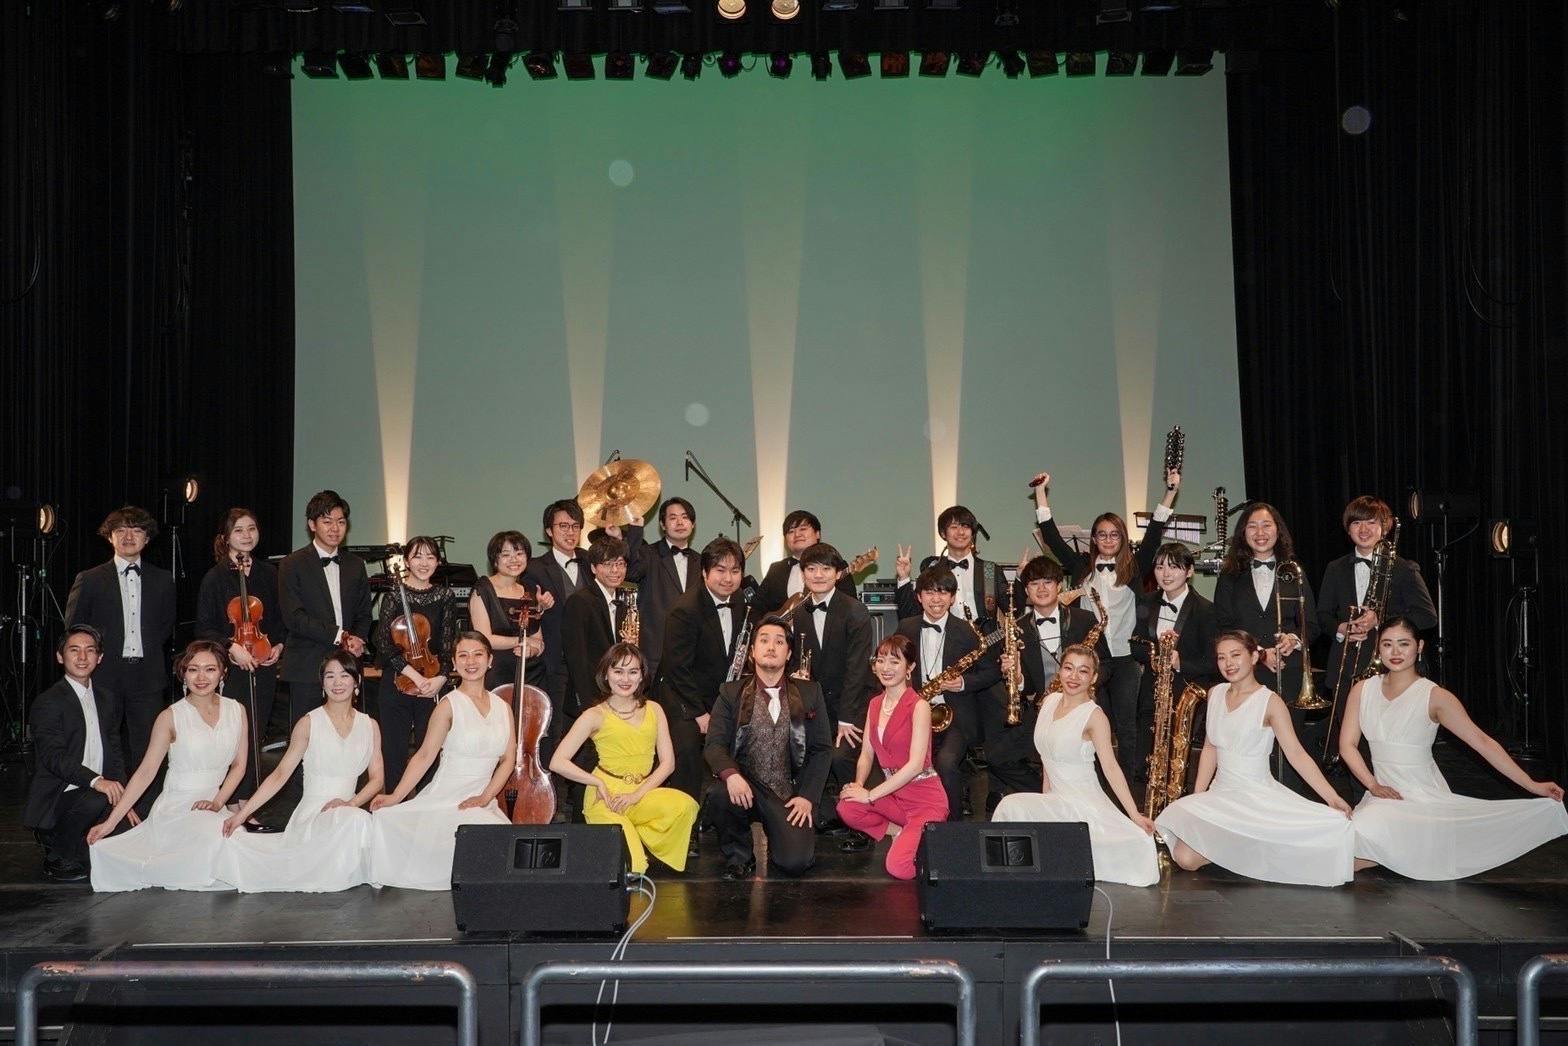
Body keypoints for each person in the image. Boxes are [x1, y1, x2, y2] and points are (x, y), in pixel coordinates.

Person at [1342, 618, 1568, 879]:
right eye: (1387, 644)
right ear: (1378, 648)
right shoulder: (1363, 689)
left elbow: (1483, 742)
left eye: (1403, 644)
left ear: (1419, 646)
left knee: (1351, 852)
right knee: (1344, 846)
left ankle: (1407, 846)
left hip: (1423, 802)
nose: (1395, 652)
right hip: (1382, 798)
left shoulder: (1435, 697)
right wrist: (1372, 785)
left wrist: (1532, 785)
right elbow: (1347, 745)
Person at [1154, 632, 1355, 887]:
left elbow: (1296, 754)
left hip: (1255, 796)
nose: (1228, 663)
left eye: (1236, 655)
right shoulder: (1215, 693)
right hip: (1220, 794)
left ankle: (1255, 841)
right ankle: (1247, 844)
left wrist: (1332, 797)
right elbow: (1210, 748)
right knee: (1185, 859)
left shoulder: (1270, 702)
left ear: (1254, 657)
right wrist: (1198, 798)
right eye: (1221, 657)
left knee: (1326, 833)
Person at [1030, 468, 1181, 786]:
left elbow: (1155, 531)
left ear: (1122, 538)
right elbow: (1052, 537)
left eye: (1114, 534)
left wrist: (1169, 492)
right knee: (1092, 722)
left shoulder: (1134, 566)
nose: (1108, 539)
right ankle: (1094, 782)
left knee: (1126, 725)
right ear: (1094, 539)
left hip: (1126, 658)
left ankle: (1126, 784)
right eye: (1102, 534)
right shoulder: (1080, 567)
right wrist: (1041, 493)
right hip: (1092, 660)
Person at [87, 640, 248, 892]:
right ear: (183, 674)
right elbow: (145, 772)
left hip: (214, 804)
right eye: (193, 669)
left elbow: (239, 766)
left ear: (223, 673)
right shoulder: (170, 716)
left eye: (210, 669)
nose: (201, 677)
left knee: (237, 841)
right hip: (177, 808)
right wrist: (111, 822)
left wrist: (218, 803)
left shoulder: (237, 710)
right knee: (217, 841)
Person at [993, 645, 1159, 887]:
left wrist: (1134, 814)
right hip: (1056, 801)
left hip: (1083, 804)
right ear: (1060, 671)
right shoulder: (1049, 701)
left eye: (1083, 671)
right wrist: (1045, 802)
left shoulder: (1094, 716)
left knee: (1011, 806)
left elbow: (1111, 767)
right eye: (1068, 668)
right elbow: (1047, 759)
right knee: (1011, 808)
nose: (1073, 676)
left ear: (1093, 677)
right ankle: (1006, 877)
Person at [216, 653, 383, 892]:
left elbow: (377, 779)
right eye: (330, 676)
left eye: (345, 675)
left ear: (356, 681)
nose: (337, 682)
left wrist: (350, 803)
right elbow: (280, 774)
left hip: (348, 809)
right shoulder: (309, 723)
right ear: (322, 683)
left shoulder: (370, 725)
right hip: (314, 814)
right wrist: (242, 815)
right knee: (357, 821)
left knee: (357, 819)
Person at [368, 633, 512, 890]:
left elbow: (508, 760)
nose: (471, 661)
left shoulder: (503, 707)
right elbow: (424, 756)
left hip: (482, 798)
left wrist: (486, 797)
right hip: (447, 798)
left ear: (490, 660)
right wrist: (396, 796)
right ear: (454, 663)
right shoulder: (448, 706)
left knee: (503, 849)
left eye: (478, 654)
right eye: (463, 655)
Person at [548, 643, 698, 874]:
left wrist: (636, 795)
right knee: (634, 867)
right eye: (618, 671)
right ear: (606, 675)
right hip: (606, 797)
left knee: (685, 806)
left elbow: (668, 764)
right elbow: (557, 762)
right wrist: (597, 782)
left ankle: (637, 835)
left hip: (641, 792)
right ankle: (631, 845)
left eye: (633, 671)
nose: (625, 679)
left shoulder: (655, 709)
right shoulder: (594, 715)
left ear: (642, 676)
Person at [703, 617, 833, 879]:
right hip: (745, 786)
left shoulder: (810, 692)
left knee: (795, 863)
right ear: (752, 651)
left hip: (789, 792)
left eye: (779, 642)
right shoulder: (730, 692)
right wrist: (731, 775)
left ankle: (781, 838)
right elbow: (714, 744)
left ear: (789, 654)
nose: (771, 647)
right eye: (764, 640)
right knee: (720, 793)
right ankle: (740, 857)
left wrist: (807, 796)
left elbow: (822, 749)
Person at [1316, 497, 1437, 759]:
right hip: (1346, 668)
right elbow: (1322, 615)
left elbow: (1427, 617)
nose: (1364, 529)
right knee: (1352, 747)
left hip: (1389, 669)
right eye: (1356, 523)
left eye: (1371, 522)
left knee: (1385, 745)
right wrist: (1341, 628)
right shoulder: (1335, 568)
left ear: (1385, 527)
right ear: (1348, 529)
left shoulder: (1403, 568)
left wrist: (1380, 619)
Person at [988, 555, 1110, 812]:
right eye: (1034, 584)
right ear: (1026, 590)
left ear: (1059, 585)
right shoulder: (1017, 628)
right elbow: (1028, 686)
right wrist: (1017, 678)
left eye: (1047, 582)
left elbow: (1106, 665)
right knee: (998, 757)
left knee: (1094, 770)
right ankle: (1048, 797)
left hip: (1081, 709)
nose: (1041, 589)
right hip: (1043, 708)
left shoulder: (1085, 620)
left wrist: (1085, 690)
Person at [64, 505, 176, 776]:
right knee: (102, 745)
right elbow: (75, 627)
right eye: (121, 530)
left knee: (149, 748)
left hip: (147, 676)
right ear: (109, 536)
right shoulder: (89, 579)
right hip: (104, 675)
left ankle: (146, 802)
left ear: (146, 538)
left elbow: (166, 626)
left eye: (136, 530)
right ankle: (106, 799)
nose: (128, 536)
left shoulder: (163, 580)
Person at [835, 634, 948, 879]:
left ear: (910, 667)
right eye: (881, 660)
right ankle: (902, 832)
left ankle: (931, 843)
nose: (885, 668)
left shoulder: (919, 706)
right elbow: (866, 754)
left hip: (924, 800)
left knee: (898, 867)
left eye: (895, 662)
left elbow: (915, 765)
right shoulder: (875, 704)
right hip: (896, 798)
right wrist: (858, 785)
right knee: (847, 806)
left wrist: (870, 795)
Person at [195, 508, 286, 809]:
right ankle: (231, 800)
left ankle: (248, 801)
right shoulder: (215, 577)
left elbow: (279, 621)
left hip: (263, 665)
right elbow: (204, 627)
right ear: (226, 537)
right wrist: (231, 646)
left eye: (252, 529)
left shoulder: (269, 573)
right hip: (231, 668)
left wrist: (278, 646)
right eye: (239, 530)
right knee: (233, 735)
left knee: (256, 733)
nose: (247, 535)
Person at [894, 566, 1002, 820]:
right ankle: (915, 817)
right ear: (919, 596)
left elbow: (992, 672)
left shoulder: (967, 630)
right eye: (930, 592)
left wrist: (963, 682)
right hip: (916, 712)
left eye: (943, 592)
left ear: (953, 598)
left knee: (946, 763)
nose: (936, 599)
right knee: (911, 763)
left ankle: (953, 826)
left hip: (956, 716)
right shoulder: (906, 626)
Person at [23, 626, 129, 881]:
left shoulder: (106, 698)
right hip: (61, 796)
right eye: (74, 650)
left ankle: (76, 844)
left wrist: (124, 797)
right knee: (97, 799)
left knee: (132, 832)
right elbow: (53, 757)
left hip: (96, 794)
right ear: (60, 657)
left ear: (99, 658)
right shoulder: (48, 701)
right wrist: (97, 781)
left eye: (90, 651)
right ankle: (55, 848)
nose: (82, 657)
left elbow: (114, 750)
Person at [788, 543, 876, 848]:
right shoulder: (800, 612)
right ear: (803, 574)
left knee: (840, 757)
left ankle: (863, 824)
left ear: (838, 574)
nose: (818, 575)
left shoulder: (855, 610)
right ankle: (829, 814)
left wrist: (846, 719)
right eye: (811, 569)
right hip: (818, 704)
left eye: (826, 569)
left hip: (853, 703)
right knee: (802, 752)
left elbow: (857, 669)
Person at [658, 537, 748, 802]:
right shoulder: (684, 609)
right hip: (683, 698)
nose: (728, 578)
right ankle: (685, 814)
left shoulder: (739, 600)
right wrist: (699, 713)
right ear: (705, 573)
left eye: (735, 571)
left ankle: (729, 811)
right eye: (720, 570)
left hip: (718, 694)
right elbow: (677, 668)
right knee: (687, 750)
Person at [278, 490, 373, 727]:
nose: (335, 528)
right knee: (306, 734)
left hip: (348, 664)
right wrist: (339, 635)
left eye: (341, 522)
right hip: (307, 663)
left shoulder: (356, 564)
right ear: (312, 524)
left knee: (349, 730)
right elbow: (294, 617)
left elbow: (364, 612)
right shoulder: (292, 564)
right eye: (327, 521)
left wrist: (358, 638)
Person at [374, 536, 457, 794]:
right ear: (407, 561)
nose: (424, 562)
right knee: (394, 750)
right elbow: (383, 643)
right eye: (417, 556)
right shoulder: (393, 597)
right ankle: (392, 806)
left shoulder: (445, 596)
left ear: (438, 562)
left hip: (433, 682)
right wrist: (416, 677)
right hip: (397, 680)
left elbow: (447, 644)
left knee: (429, 749)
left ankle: (425, 807)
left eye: (430, 557)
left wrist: (440, 679)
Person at [1130, 542, 1220, 770]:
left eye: (1174, 567)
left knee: (1177, 765)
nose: (1166, 574)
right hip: (1151, 696)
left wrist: (1180, 663)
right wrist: (1157, 652)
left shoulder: (1206, 610)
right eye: (1160, 567)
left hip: (1185, 697)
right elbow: (1136, 647)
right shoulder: (1146, 602)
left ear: (1189, 571)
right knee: (1145, 765)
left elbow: (1212, 662)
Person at [522, 498, 592, 727]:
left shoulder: (590, 561)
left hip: (591, 660)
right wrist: (539, 608)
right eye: (563, 526)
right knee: (557, 726)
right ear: (549, 531)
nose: (570, 532)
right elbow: (526, 616)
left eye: (575, 526)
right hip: (555, 661)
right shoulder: (534, 568)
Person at [893, 505, 1008, 625]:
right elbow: (910, 617)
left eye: (965, 526)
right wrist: (904, 577)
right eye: (954, 527)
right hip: (946, 636)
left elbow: (1013, 611)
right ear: (943, 533)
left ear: (972, 532)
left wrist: (1019, 577)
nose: (961, 532)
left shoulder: (990, 570)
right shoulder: (933, 570)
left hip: (987, 636)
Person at [624, 497, 699, 680]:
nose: (680, 522)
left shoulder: (701, 561)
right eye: (673, 518)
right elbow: (630, 572)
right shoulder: (649, 554)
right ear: (662, 525)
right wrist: (635, 529)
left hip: (692, 656)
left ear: (693, 524)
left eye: (685, 517)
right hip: (655, 655)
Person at [468, 530, 550, 692]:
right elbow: (485, 639)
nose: (514, 559)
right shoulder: (483, 589)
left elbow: (538, 641)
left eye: (519, 553)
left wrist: (531, 650)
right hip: (496, 671)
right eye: (506, 555)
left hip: (530, 673)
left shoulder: (528, 590)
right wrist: (523, 641)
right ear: (495, 560)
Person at [755, 510, 857, 616]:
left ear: (817, 534)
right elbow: (756, 607)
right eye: (791, 531)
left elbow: (850, 607)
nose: (797, 534)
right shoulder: (776, 569)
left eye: (803, 529)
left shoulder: (836, 565)